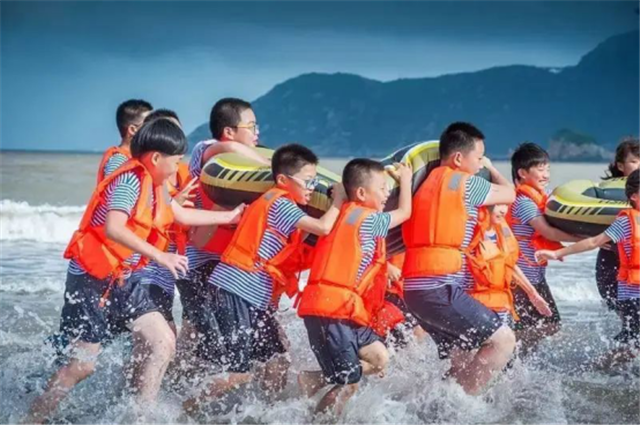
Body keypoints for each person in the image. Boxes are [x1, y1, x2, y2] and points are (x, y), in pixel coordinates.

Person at [25, 118, 245, 424]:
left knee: (162, 342)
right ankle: (30, 420)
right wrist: (160, 256)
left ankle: (140, 417)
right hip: (92, 281)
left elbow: (178, 214)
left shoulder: (155, 185)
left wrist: (229, 217)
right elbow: (113, 227)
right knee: (81, 367)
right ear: (156, 158)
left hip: (124, 280)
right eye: (175, 160)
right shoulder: (129, 181)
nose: (178, 167)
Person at [184, 144, 347, 415]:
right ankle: (184, 410)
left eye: (315, 181)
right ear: (283, 179)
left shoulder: (285, 204)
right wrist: (339, 199)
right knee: (239, 372)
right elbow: (323, 227)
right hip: (235, 289)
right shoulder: (281, 203)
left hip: (253, 296)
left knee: (278, 362)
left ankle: (264, 414)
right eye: (308, 181)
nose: (313, 187)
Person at [402, 122, 516, 395]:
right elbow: (510, 193)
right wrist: (492, 168)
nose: (480, 164)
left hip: (415, 291)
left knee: (462, 356)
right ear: (457, 158)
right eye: (479, 158)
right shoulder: (465, 183)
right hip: (438, 288)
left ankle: (431, 407)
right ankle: (464, 406)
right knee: (503, 341)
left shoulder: (425, 183)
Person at [296, 159, 412, 417]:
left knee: (379, 357)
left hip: (344, 309)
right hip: (329, 311)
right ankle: (318, 421)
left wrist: (338, 196)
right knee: (349, 383)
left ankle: (314, 379)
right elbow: (405, 213)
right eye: (382, 188)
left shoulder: (340, 212)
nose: (387, 193)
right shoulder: (369, 219)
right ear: (360, 193)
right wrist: (406, 180)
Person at [536, 169, 639, 365]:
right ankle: (598, 367)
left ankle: (602, 366)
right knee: (633, 344)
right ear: (634, 196)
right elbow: (593, 242)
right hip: (632, 295)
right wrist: (557, 253)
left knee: (631, 346)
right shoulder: (626, 222)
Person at [506, 143, 580, 355]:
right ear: (522, 172)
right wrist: (587, 238)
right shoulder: (523, 202)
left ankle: (519, 361)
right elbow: (548, 232)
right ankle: (507, 354)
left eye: (548, 169)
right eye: (540, 169)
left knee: (549, 324)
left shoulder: (540, 198)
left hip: (536, 276)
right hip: (520, 279)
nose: (546, 174)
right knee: (537, 326)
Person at [466, 204, 552, 327]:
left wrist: (533, 294)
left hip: (501, 302)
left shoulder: (502, 230)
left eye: (506, 205)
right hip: (474, 303)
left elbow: (509, 266)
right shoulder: (469, 231)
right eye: (499, 205)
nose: (503, 210)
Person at [596, 138, 639, 312]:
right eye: (634, 161)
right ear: (620, 166)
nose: (639, 165)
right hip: (611, 258)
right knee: (622, 312)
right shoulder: (604, 193)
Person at [96, 99, 153, 183]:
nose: (155, 129)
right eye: (150, 125)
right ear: (133, 130)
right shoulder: (118, 162)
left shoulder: (135, 159)